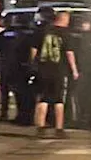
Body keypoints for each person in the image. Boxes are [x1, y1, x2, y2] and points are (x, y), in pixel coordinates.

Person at [29, 9, 79, 138]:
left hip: (42, 69)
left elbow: (33, 49)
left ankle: (40, 128)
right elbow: (69, 53)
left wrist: (34, 65)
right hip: (59, 70)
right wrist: (74, 70)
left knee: (42, 98)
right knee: (58, 100)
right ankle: (59, 129)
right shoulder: (66, 34)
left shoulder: (41, 31)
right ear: (64, 19)